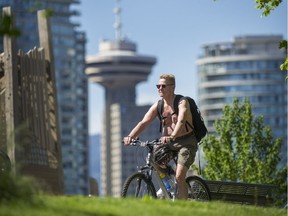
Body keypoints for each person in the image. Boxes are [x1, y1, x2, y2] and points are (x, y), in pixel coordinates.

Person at [123, 74, 198, 199]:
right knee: (153, 159)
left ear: (172, 87)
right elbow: (144, 122)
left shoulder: (182, 102)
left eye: (163, 86)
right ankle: (168, 185)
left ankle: (184, 206)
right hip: (168, 143)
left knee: (180, 176)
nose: (160, 88)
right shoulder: (159, 106)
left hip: (186, 142)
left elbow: (181, 121)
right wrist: (130, 136)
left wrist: (172, 135)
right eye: (158, 86)